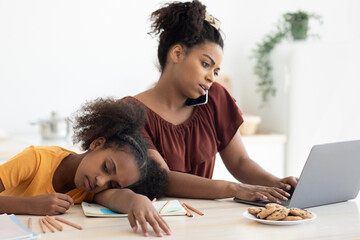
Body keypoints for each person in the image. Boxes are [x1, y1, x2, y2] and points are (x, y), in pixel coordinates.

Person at [128, 0, 298, 203]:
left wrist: (278, 185)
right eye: (206, 64)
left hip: (206, 219)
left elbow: (240, 162)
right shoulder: (131, 113)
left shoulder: (215, 98)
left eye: (216, 71)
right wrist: (234, 188)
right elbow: (164, 179)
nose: (212, 77)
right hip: (159, 223)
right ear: (177, 53)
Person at [0, 98, 171, 237]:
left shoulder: (90, 190)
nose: (101, 181)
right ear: (97, 144)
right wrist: (30, 206)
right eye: (106, 167)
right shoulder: (36, 159)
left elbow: (119, 197)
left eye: (112, 184)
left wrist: (137, 200)